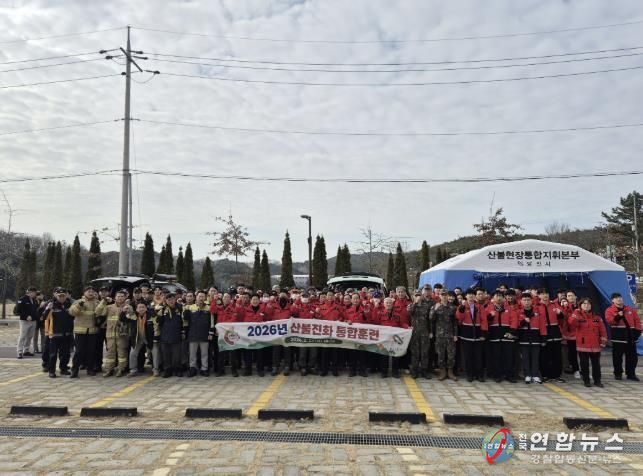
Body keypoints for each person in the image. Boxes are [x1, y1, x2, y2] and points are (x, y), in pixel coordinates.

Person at [96, 290, 136, 377]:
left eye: (122, 296)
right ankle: (109, 369)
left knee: (122, 353)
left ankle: (121, 369)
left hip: (122, 334)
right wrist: (103, 301)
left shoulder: (128, 307)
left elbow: (132, 318)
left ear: (125, 297)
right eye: (118, 296)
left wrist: (127, 311)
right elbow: (98, 312)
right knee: (110, 352)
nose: (120, 298)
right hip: (110, 334)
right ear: (115, 297)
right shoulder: (109, 307)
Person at [569, 298, 607, 387]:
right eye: (584, 304)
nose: (586, 305)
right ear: (580, 305)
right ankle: (586, 381)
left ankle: (597, 381)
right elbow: (571, 323)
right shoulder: (577, 316)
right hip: (583, 344)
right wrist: (576, 313)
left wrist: (603, 341)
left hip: (595, 344)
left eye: (588, 304)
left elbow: (603, 330)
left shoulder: (597, 317)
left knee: (596, 364)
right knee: (584, 364)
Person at [605, 292, 641, 381]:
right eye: (616, 298)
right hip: (618, 337)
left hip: (630, 337)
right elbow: (610, 321)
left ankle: (631, 374)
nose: (619, 299)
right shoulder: (609, 310)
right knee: (617, 357)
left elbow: (637, 320)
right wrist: (617, 317)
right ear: (612, 300)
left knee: (632, 357)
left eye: (620, 297)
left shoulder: (630, 309)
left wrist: (638, 332)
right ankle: (618, 373)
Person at [455, 289, 488, 382]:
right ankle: (469, 374)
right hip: (466, 334)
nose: (471, 296)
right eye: (469, 294)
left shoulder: (480, 307)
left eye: (473, 294)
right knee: (467, 356)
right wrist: (460, 312)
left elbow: (484, 320)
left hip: (478, 334)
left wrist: (483, 333)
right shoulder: (461, 306)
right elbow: (459, 320)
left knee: (478, 356)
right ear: (466, 296)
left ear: (475, 296)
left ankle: (479, 375)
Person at [68, 285, 100, 378]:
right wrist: (80, 305)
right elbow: (71, 312)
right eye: (88, 291)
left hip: (92, 331)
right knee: (79, 351)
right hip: (80, 331)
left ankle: (90, 369)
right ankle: (74, 370)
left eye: (92, 291)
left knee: (91, 351)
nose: (90, 293)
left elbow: (101, 312)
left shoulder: (97, 302)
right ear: (84, 293)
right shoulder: (78, 301)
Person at [486, 290, 518, 383]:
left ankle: (509, 375)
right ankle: (497, 375)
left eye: (501, 296)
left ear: (504, 298)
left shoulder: (510, 308)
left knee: (508, 356)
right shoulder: (488, 308)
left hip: (507, 335)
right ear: (493, 298)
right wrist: (490, 316)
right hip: (494, 335)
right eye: (497, 296)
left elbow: (514, 320)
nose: (499, 298)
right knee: (496, 357)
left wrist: (511, 332)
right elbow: (484, 321)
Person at [42, 287, 74, 378]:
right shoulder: (52, 305)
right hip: (55, 334)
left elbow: (73, 316)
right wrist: (48, 309)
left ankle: (63, 369)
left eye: (63, 295)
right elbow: (44, 317)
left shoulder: (69, 305)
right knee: (53, 355)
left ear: (66, 295)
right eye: (60, 296)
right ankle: (51, 371)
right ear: (56, 296)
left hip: (66, 334)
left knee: (65, 354)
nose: (61, 297)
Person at [376, 297, 409, 378]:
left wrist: (407, 327)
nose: (388, 304)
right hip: (383, 338)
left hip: (394, 339)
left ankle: (395, 372)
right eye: (387, 303)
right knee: (384, 355)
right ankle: (384, 372)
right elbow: (375, 324)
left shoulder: (397, 315)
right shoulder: (379, 314)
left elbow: (402, 324)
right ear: (384, 304)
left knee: (395, 355)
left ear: (392, 304)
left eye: (390, 303)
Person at [517, 293, 547, 384]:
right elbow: (516, 325)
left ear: (531, 301)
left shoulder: (538, 312)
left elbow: (542, 326)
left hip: (535, 338)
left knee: (535, 358)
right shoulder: (518, 312)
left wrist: (543, 338)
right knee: (525, 358)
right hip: (523, 339)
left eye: (528, 300)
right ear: (521, 301)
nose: (526, 302)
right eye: (524, 300)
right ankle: (527, 375)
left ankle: (535, 375)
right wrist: (523, 321)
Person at [155, 292, 186, 378]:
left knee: (177, 355)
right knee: (166, 354)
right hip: (165, 335)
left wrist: (183, 332)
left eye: (172, 299)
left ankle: (177, 369)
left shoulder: (180, 308)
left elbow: (184, 322)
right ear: (166, 301)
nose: (171, 301)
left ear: (175, 299)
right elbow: (158, 322)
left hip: (177, 335)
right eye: (168, 300)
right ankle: (167, 370)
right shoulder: (162, 310)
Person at [537, 289, 565, 383]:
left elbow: (562, 318)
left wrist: (560, 313)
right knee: (544, 355)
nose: (545, 295)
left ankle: (556, 375)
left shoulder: (555, 305)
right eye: (542, 294)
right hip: (543, 332)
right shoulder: (536, 307)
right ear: (539, 296)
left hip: (555, 331)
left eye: (546, 293)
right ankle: (545, 375)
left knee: (557, 355)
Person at [430, 290, 458, 380]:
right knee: (440, 354)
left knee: (451, 354)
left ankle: (450, 372)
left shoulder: (453, 307)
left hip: (450, 335)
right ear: (440, 296)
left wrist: (455, 334)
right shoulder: (436, 306)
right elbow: (431, 319)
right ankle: (442, 371)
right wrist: (435, 310)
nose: (444, 297)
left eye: (446, 295)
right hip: (440, 335)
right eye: (442, 295)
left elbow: (455, 322)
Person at [213, 293, 243, 377]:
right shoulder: (219, 308)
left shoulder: (234, 308)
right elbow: (212, 310)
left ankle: (234, 370)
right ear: (222, 299)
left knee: (233, 353)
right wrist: (215, 300)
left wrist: (224, 327)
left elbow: (234, 319)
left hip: (231, 333)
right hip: (221, 334)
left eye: (228, 297)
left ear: (230, 299)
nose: (226, 298)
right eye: (225, 297)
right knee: (221, 352)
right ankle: (220, 370)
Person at [344, 293, 373, 377]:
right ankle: (352, 370)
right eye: (354, 298)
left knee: (362, 353)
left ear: (360, 299)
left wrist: (367, 314)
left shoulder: (365, 309)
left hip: (362, 335)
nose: (355, 300)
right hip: (352, 335)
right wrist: (347, 321)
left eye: (357, 298)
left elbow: (370, 321)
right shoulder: (348, 310)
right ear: (351, 300)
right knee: (352, 353)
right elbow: (343, 319)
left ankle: (362, 370)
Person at [316, 291, 345, 376]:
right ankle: (324, 370)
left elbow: (343, 317)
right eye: (329, 295)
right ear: (326, 296)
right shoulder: (320, 306)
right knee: (324, 352)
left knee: (334, 352)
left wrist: (339, 320)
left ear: (334, 297)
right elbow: (317, 319)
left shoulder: (338, 306)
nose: (330, 297)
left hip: (335, 332)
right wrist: (317, 313)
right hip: (324, 332)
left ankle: (334, 369)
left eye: (332, 295)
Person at [265, 292, 293, 376]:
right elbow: (267, 313)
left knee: (287, 350)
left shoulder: (290, 306)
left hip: (287, 332)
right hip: (276, 332)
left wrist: (295, 302)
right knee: (276, 350)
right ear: (278, 298)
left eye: (284, 296)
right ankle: (275, 366)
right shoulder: (274, 306)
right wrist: (270, 302)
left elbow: (295, 313)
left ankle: (287, 366)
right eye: (281, 296)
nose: (282, 298)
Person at [408, 286, 434, 379]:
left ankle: (424, 371)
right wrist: (415, 302)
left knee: (424, 352)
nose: (418, 297)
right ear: (413, 296)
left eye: (419, 295)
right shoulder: (411, 305)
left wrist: (430, 331)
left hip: (425, 332)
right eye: (416, 295)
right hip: (414, 333)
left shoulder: (427, 305)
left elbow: (430, 320)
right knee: (415, 352)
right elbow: (410, 312)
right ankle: (414, 370)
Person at [128, 302, 153, 377]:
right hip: (138, 338)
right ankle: (133, 370)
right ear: (136, 309)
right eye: (139, 307)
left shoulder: (151, 315)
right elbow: (122, 318)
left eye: (143, 307)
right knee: (133, 353)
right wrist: (123, 311)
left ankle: (156, 369)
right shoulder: (133, 315)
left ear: (146, 308)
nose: (141, 309)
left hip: (148, 338)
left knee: (155, 352)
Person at [15, 286, 39, 359]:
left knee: (30, 336)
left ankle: (26, 350)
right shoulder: (22, 299)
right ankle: (19, 352)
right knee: (22, 336)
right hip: (24, 321)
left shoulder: (34, 300)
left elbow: (35, 310)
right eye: (35, 293)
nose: (35, 294)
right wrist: (26, 316)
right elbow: (17, 311)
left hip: (33, 321)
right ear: (30, 292)